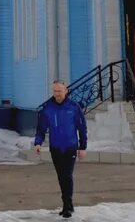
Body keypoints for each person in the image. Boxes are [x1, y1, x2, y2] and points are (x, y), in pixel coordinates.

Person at [33, 80, 87, 218]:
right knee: (61, 176)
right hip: (55, 147)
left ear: (66, 91)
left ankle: (67, 206)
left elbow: (82, 128)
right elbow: (41, 128)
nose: (57, 94)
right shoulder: (48, 108)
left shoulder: (74, 107)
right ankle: (68, 205)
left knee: (67, 175)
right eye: (55, 91)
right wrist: (38, 143)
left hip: (70, 146)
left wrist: (83, 147)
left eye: (60, 91)